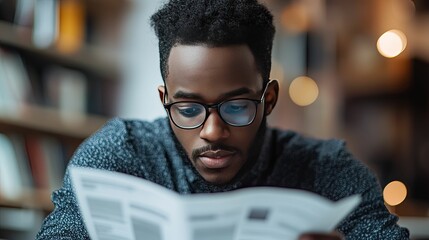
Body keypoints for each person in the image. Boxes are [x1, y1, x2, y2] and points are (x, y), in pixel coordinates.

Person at [36, 0, 410, 239]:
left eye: (236, 107)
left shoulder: (328, 170)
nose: (213, 132)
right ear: (165, 100)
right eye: (188, 110)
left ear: (270, 98)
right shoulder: (118, 154)